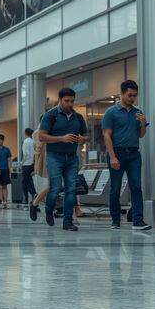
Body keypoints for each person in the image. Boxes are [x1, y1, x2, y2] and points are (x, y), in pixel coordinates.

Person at [102, 80, 151, 231]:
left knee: (136, 186)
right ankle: (115, 220)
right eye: (129, 95)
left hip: (134, 154)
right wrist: (112, 157)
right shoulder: (111, 112)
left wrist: (143, 123)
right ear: (121, 94)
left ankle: (138, 221)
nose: (132, 98)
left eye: (134, 96)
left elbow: (141, 135)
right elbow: (106, 135)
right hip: (117, 153)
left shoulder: (138, 112)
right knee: (115, 188)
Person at [38, 87, 89, 231]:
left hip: (72, 158)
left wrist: (81, 139)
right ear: (60, 100)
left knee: (71, 190)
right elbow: (41, 136)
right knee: (54, 188)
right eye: (66, 101)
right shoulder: (51, 115)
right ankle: (49, 209)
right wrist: (62, 138)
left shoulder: (78, 117)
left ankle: (68, 221)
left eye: (72, 101)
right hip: (55, 157)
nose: (70, 104)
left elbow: (86, 136)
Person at [0, 134, 13, 209]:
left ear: (2, 140)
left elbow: (9, 160)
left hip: (5, 169)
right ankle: (2, 202)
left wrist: (10, 170)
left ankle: (5, 201)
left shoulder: (7, 149)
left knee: (4, 186)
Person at [20, 128, 36, 206]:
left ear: (25, 133)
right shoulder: (33, 141)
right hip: (32, 164)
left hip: (26, 164)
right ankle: (34, 195)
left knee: (24, 182)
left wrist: (21, 163)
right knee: (29, 180)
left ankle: (25, 199)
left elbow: (25, 154)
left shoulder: (26, 141)